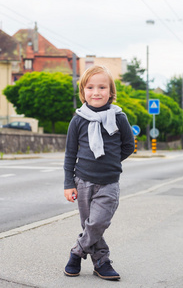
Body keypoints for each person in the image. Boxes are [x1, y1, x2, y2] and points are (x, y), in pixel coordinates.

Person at [63, 65, 135, 281]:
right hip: (83, 182)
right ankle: (101, 262)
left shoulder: (119, 117)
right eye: (90, 87)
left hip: (109, 183)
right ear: (83, 92)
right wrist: (69, 184)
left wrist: (112, 161)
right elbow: (70, 154)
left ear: (111, 92)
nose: (96, 92)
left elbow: (128, 145)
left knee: (97, 223)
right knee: (89, 226)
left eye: (102, 87)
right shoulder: (78, 120)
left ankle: (77, 252)